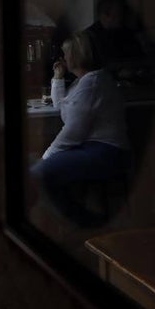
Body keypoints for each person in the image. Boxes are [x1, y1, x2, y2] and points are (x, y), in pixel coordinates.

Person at [30, 30, 130, 228]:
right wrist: (58, 78)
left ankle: (86, 224)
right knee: (40, 169)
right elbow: (63, 107)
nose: (64, 58)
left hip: (107, 152)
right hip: (92, 148)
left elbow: (73, 132)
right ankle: (75, 220)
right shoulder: (82, 82)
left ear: (76, 55)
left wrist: (48, 155)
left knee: (39, 174)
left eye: (66, 53)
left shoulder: (92, 83)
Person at [84, 0, 150, 83]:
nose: (121, 17)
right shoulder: (88, 37)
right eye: (118, 13)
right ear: (106, 15)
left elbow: (142, 58)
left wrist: (134, 69)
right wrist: (117, 72)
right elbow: (89, 68)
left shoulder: (127, 32)